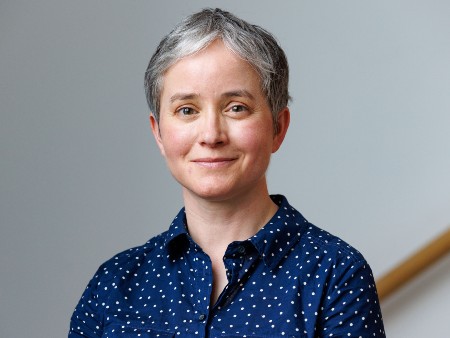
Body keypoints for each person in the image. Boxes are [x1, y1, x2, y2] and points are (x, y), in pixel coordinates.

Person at [69, 8, 385, 337]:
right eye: (186, 110)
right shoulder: (113, 286)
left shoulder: (335, 274)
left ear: (278, 128)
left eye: (236, 107)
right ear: (159, 134)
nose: (211, 135)